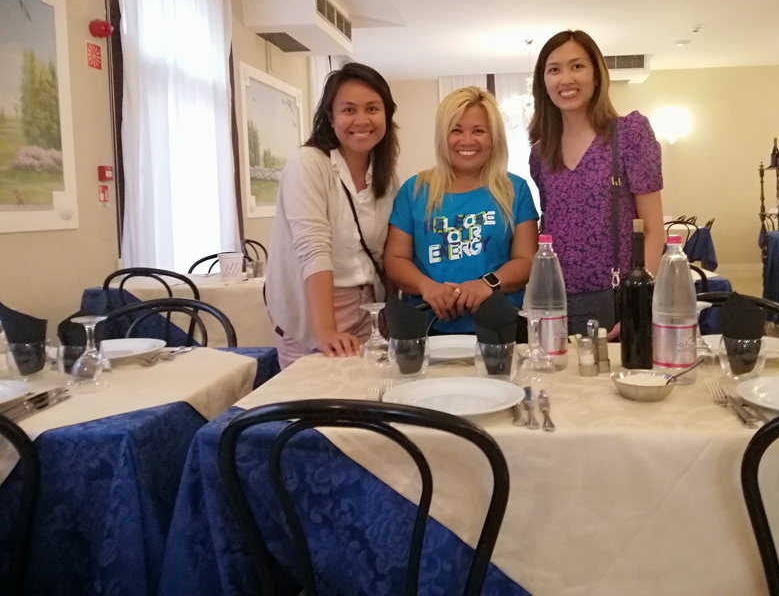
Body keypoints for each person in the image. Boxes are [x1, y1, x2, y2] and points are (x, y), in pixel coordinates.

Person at [528, 29, 665, 336]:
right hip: (557, 302)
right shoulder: (541, 153)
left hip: (618, 300)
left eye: (577, 66)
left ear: (597, 76)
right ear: (544, 83)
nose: (566, 79)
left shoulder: (630, 134)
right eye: (554, 69)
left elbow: (654, 229)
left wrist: (638, 305)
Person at [266, 62, 399, 368]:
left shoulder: (386, 177)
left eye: (372, 109)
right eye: (349, 110)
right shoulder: (309, 164)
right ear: (330, 116)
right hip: (312, 310)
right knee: (315, 404)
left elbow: (384, 254)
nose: (361, 120)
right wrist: (325, 330)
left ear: (386, 115)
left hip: (369, 311)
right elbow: (314, 248)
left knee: (364, 401)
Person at [384, 87, 539, 334]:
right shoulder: (414, 190)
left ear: (494, 137)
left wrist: (487, 284)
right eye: (456, 130)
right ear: (442, 136)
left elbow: (527, 260)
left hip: (498, 327)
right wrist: (427, 287)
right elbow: (395, 259)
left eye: (478, 131)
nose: (467, 141)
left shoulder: (515, 189)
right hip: (425, 328)